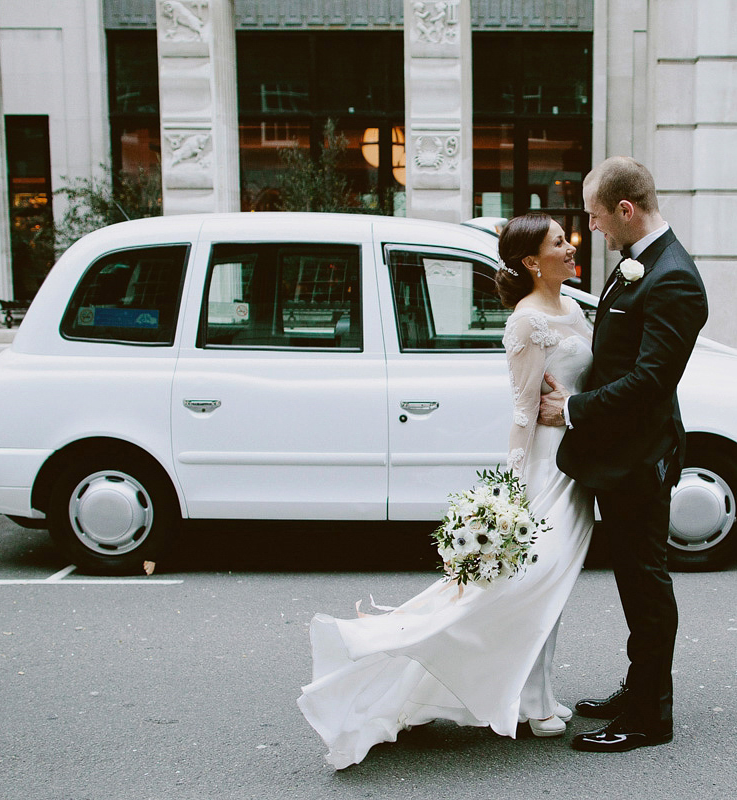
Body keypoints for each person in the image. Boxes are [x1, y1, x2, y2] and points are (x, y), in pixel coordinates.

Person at [297, 213, 594, 769]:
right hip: (545, 468)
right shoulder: (525, 323)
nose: (570, 247)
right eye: (559, 242)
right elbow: (522, 409)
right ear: (533, 261)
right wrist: (509, 491)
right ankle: (515, 696)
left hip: (577, 466)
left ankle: (538, 694)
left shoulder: (573, 309)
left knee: (549, 586)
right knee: (526, 582)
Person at [538, 156, 708, 753]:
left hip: (640, 458)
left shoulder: (673, 278)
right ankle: (638, 687)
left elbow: (650, 380)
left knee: (645, 584)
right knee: (635, 581)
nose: (594, 229)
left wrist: (573, 410)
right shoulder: (640, 264)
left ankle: (649, 716)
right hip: (621, 455)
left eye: (596, 217)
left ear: (626, 210)